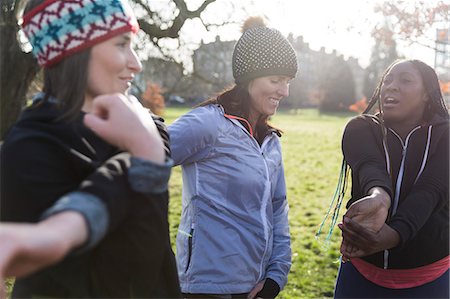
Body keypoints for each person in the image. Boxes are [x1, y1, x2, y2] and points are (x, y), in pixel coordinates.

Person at [0, 0, 180, 297]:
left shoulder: (139, 125)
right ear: (75, 49)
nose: (136, 63)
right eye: (122, 44)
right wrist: (144, 160)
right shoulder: (30, 152)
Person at [168, 17, 297, 299]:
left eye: (287, 82)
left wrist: (275, 276)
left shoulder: (271, 142)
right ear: (249, 78)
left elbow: (278, 209)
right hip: (205, 289)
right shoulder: (208, 124)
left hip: (255, 287)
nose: (284, 91)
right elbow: (143, 156)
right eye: (275, 80)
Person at [331, 59, 449, 298]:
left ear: (427, 93)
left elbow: (431, 190)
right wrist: (379, 198)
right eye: (387, 80)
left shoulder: (446, 135)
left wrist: (394, 235)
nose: (391, 87)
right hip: (361, 275)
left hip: (429, 279)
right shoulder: (361, 128)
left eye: (405, 81)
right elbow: (370, 169)